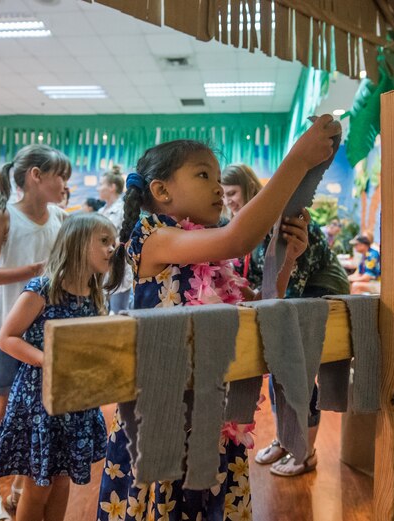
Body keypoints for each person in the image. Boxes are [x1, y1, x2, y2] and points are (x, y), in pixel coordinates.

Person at [97, 114, 340, 520]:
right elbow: (237, 237)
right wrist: (297, 160)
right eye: (203, 175)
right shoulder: (152, 238)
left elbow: (261, 305)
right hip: (163, 422)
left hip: (214, 416)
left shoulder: (207, 256)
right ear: (161, 191)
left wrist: (287, 261)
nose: (217, 188)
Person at [222, 163, 351, 476]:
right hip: (287, 296)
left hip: (320, 292)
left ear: (250, 189)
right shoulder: (248, 228)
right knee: (281, 372)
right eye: (223, 195)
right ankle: (287, 439)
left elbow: (294, 281)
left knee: (297, 372)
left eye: (232, 193)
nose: (228, 201)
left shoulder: (283, 217)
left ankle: (305, 453)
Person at [0, 213, 117, 521]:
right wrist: (49, 360)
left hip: (75, 401)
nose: (112, 249)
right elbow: (6, 338)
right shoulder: (43, 289)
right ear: (77, 243)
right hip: (41, 400)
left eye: (113, 242)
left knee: (62, 482)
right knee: (38, 488)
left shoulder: (98, 294)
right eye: (104, 241)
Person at [0, 144, 70, 517]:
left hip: (43, 332)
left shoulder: (61, 217)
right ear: (36, 175)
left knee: (36, 412)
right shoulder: (3, 216)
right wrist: (37, 270)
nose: (64, 184)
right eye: (60, 175)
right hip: (3, 326)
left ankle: (20, 483)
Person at [97, 166, 132, 312]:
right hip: (101, 267)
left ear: (112, 187)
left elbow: (126, 238)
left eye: (102, 184)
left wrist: (108, 247)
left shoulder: (123, 209)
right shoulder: (101, 211)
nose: (99, 188)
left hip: (118, 268)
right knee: (100, 310)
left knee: (119, 312)